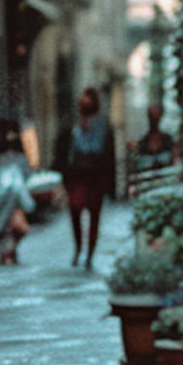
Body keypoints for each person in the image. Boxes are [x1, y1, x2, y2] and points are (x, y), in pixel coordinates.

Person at [55, 86, 116, 269]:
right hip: (77, 175)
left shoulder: (103, 124)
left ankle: (89, 253)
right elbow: (63, 150)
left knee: (94, 215)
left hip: (95, 175)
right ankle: (78, 248)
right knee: (75, 211)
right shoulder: (71, 124)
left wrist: (109, 182)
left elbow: (107, 152)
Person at [0, 134, 34, 265]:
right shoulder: (17, 159)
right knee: (8, 230)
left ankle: (8, 252)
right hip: (8, 201)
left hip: (8, 203)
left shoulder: (4, 159)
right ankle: (8, 252)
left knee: (8, 229)